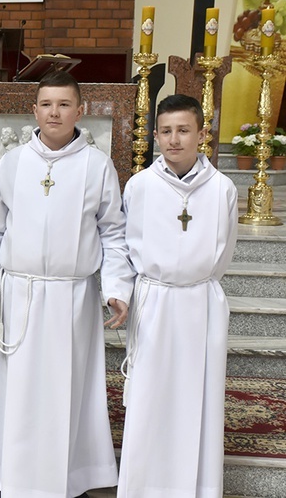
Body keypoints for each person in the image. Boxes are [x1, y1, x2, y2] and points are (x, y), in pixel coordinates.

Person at [0, 70, 135, 498]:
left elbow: (113, 233)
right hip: (21, 292)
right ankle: (8, 478)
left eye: (63, 104)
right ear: (34, 110)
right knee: (14, 393)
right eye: (46, 104)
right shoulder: (12, 163)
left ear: (81, 110)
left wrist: (116, 287)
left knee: (68, 390)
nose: (54, 112)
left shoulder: (96, 166)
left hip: (71, 296)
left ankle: (68, 478)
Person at [117, 95, 238, 498]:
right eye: (166, 131)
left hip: (201, 303)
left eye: (184, 130)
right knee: (150, 399)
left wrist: (193, 283)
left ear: (201, 134)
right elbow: (127, 246)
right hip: (154, 302)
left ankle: (198, 488)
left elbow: (223, 254)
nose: (174, 140)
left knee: (198, 400)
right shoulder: (140, 185)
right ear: (154, 136)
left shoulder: (222, 189)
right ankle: (143, 487)